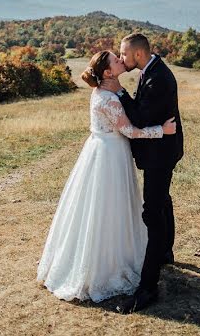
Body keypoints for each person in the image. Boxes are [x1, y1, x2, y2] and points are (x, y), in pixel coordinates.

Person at [36, 50, 177, 303]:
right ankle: (105, 267)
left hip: (106, 151)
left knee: (111, 208)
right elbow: (131, 132)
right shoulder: (107, 99)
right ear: (108, 72)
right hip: (109, 157)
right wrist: (162, 130)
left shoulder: (108, 91)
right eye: (116, 59)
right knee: (106, 209)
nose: (121, 60)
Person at [99, 33, 184, 314]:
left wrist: (120, 91)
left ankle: (148, 287)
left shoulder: (159, 78)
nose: (122, 59)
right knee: (162, 200)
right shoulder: (152, 70)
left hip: (161, 154)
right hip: (162, 150)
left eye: (124, 55)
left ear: (137, 55)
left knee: (152, 213)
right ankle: (165, 252)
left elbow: (140, 118)